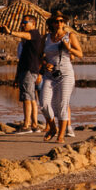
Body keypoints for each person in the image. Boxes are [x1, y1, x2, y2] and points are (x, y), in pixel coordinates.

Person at [41, 11, 83, 144]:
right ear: (52, 23)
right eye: (56, 21)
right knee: (44, 103)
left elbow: (80, 54)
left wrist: (68, 48)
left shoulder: (70, 36)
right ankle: (52, 128)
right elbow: (40, 55)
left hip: (65, 73)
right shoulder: (46, 37)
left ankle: (61, 135)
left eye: (61, 21)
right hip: (49, 74)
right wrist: (45, 63)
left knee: (62, 104)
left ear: (64, 23)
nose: (59, 23)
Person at [11, 11, 46, 132]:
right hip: (25, 70)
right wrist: (16, 76)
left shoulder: (34, 34)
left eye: (25, 23)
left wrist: (10, 32)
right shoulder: (25, 42)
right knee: (31, 98)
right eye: (21, 23)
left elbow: (41, 57)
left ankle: (26, 125)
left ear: (33, 24)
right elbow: (21, 60)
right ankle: (34, 125)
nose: (22, 25)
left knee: (27, 97)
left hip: (29, 70)